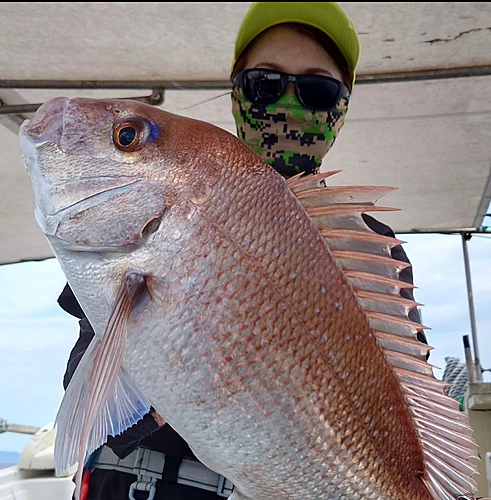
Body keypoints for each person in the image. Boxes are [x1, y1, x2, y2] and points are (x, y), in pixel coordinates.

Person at [59, 3, 425, 499]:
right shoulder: (164, 216)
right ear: (236, 91)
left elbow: (404, 397)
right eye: (265, 84)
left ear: (342, 105)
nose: (288, 103)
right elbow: (89, 378)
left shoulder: (372, 245)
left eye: (317, 89)